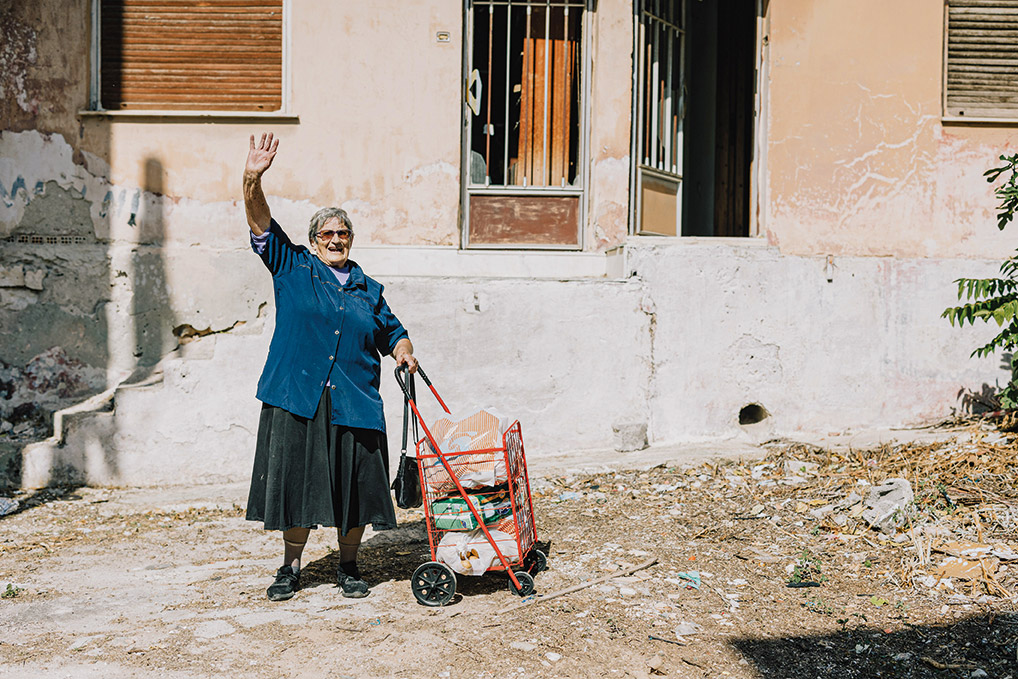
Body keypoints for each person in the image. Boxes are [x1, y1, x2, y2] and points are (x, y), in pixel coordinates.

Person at [242, 132, 418, 601]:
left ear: (351, 240)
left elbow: (393, 332)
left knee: (354, 488)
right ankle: (290, 567)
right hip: (298, 396)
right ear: (313, 241)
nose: (336, 240)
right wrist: (252, 179)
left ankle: (348, 565)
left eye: (343, 234)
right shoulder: (292, 266)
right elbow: (259, 221)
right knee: (297, 487)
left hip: (354, 400)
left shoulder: (368, 289)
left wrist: (403, 351)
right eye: (327, 234)